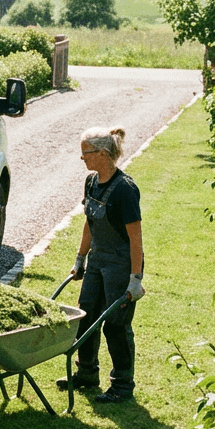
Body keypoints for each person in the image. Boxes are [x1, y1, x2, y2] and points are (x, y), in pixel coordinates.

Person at [57, 125, 145, 403]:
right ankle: (87, 373)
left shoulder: (125, 190)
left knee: (116, 325)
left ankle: (122, 385)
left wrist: (136, 279)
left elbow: (135, 238)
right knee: (86, 316)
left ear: (103, 153)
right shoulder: (91, 182)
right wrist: (80, 258)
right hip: (97, 260)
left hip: (120, 265)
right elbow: (89, 223)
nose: (82, 159)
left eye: (86, 153)